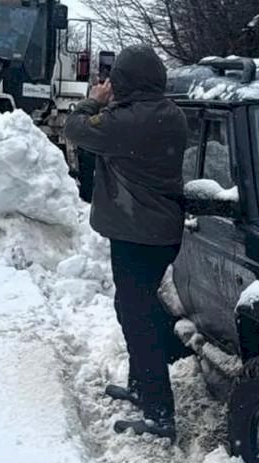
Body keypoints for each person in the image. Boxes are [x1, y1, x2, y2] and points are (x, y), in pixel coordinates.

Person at [64, 45, 189, 440]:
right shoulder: (171, 113)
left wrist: (92, 101)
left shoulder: (125, 121)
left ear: (124, 82)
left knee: (139, 321)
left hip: (138, 236)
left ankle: (159, 414)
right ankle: (141, 387)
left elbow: (74, 129)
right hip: (157, 232)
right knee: (135, 307)